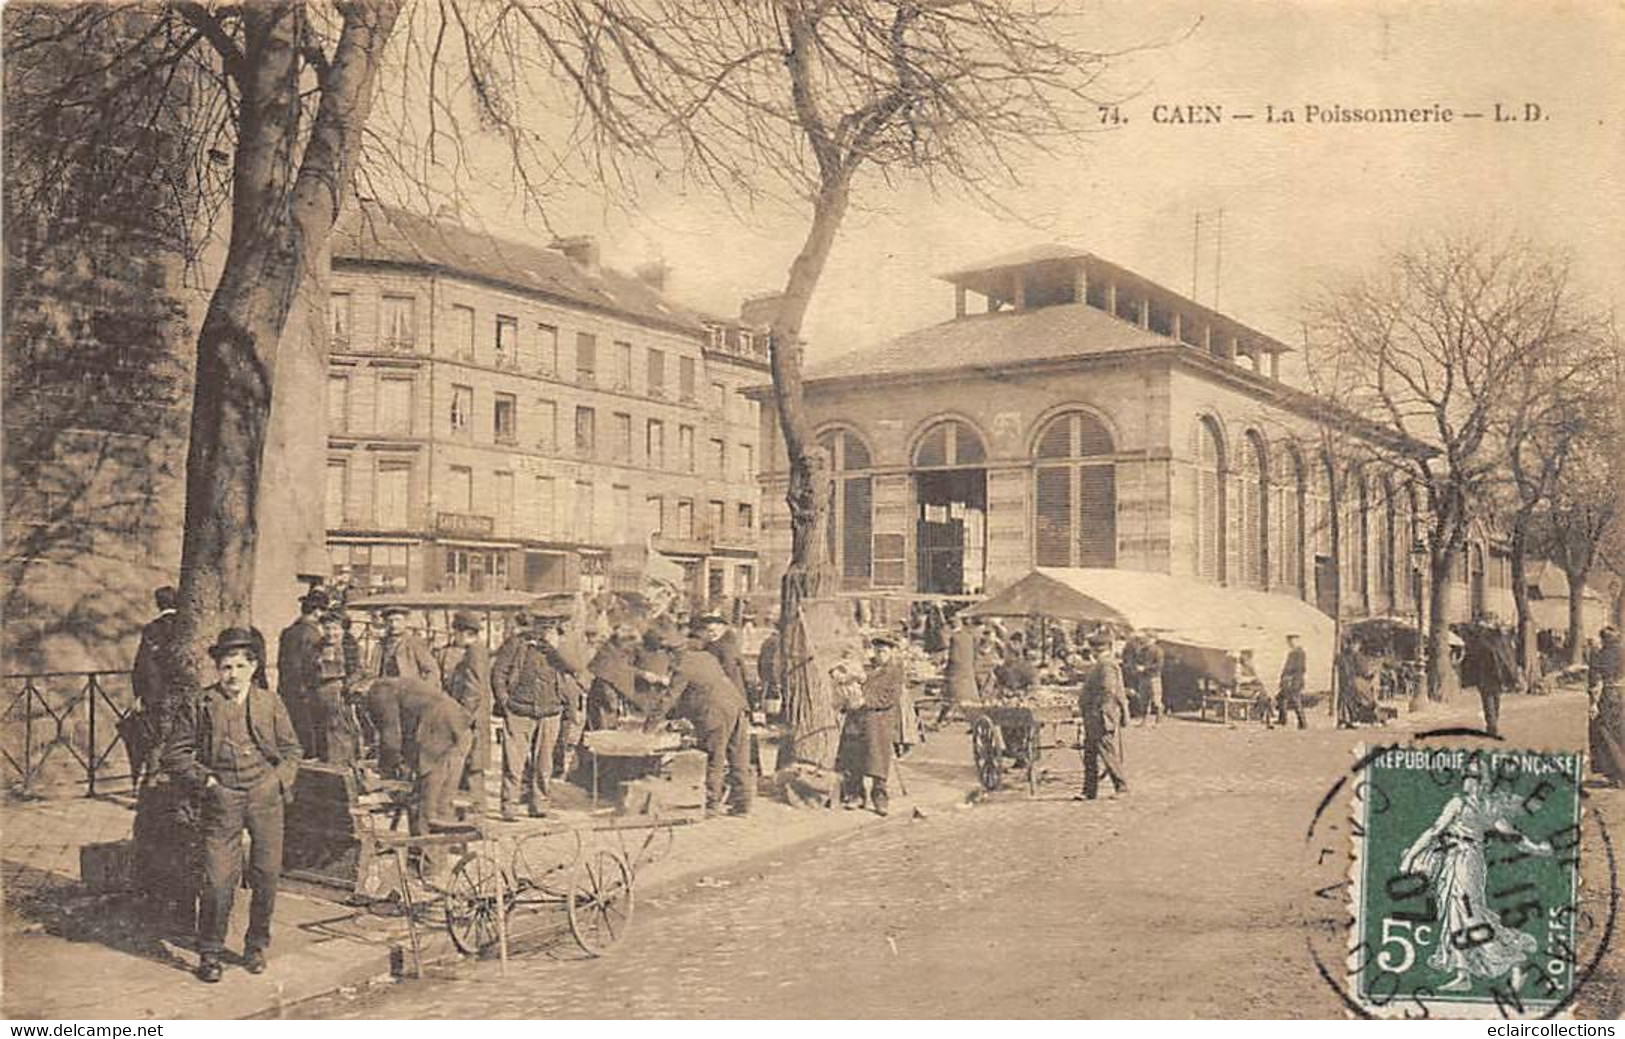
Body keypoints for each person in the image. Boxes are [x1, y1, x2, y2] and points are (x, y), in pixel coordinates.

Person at [163, 627, 303, 983]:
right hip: (221, 799)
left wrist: (276, 781)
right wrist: (207, 781)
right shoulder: (200, 703)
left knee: (266, 874)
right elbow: (174, 754)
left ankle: (255, 945)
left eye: (240, 666)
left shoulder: (270, 703)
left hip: (264, 796)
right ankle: (210, 952)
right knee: (218, 879)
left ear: (254, 667)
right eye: (226, 667)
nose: (233, 675)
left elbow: (292, 751)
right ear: (217, 669)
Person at [1400, 772, 1552, 992]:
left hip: (1468, 861)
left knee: (1470, 915)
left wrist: (1536, 849)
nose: (1474, 782)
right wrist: (1411, 856)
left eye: (1478, 777)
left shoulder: (1487, 808)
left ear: (1485, 782)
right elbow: (1435, 831)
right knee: (1455, 914)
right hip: (1454, 859)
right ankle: (1463, 975)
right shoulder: (1460, 803)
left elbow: (1512, 835)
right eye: (1470, 776)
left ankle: (1516, 962)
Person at [649, 622, 753, 816]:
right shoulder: (706, 657)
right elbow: (701, 687)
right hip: (736, 706)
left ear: (671, 654)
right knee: (738, 755)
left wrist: (649, 728)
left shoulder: (682, 666)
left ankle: (711, 804)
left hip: (716, 712)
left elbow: (669, 698)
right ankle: (743, 804)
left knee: (715, 757)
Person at [365, 675, 476, 843]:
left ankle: (422, 861)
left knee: (426, 808)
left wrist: (385, 774)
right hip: (459, 725)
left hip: (437, 729)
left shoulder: (379, 691)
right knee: (442, 804)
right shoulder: (398, 685)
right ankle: (436, 864)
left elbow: (391, 738)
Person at [494, 608, 579, 820]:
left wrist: (553, 649)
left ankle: (539, 805)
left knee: (544, 763)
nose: (545, 630)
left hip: (550, 711)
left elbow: (574, 667)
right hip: (519, 709)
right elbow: (498, 672)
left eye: (550, 626)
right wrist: (504, 701)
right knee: (514, 762)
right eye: (542, 625)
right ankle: (510, 806)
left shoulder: (562, 647)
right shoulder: (517, 643)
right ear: (533, 624)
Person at [836, 634, 905, 815]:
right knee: (853, 756)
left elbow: (888, 698)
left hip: (879, 720)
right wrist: (847, 699)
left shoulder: (895, 672)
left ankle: (880, 797)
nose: (879, 655)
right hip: (856, 718)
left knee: (877, 760)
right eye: (877, 651)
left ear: (891, 652)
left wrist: (864, 701)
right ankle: (856, 794)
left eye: (883, 652)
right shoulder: (865, 668)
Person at [126, 585, 181, 786]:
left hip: (157, 696)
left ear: (158, 604)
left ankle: (150, 789)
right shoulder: (185, 626)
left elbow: (142, 665)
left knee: (156, 743)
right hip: (182, 694)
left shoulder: (152, 629)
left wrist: (140, 695)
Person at [439, 611, 493, 810]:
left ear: (464, 633)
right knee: (472, 763)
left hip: (469, 718)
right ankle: (477, 805)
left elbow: (474, 689)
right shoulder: (477, 650)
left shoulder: (475, 652)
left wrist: (462, 717)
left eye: (457, 633)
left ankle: (452, 804)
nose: (455, 637)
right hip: (471, 716)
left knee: (460, 760)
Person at [1077, 632, 1129, 800]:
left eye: (1094, 648)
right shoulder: (1100, 663)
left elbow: (1108, 691)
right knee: (1090, 753)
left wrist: (1099, 711)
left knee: (1106, 752)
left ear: (1099, 649)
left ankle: (1122, 787)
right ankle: (1089, 791)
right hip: (1093, 715)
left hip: (1100, 715)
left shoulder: (1106, 665)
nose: (1092, 651)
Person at [276, 589, 328, 755]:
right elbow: (311, 664)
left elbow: (283, 663)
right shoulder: (312, 633)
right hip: (307, 687)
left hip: (288, 686)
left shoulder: (288, 631)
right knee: (311, 726)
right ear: (318, 611)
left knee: (294, 725)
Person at [311, 610, 360, 765]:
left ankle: (344, 763)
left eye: (335, 628)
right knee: (324, 728)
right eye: (327, 628)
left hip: (341, 692)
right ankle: (328, 762)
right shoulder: (318, 648)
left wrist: (348, 686)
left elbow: (357, 671)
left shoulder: (349, 647)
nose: (331, 633)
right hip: (321, 692)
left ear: (343, 629)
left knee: (341, 727)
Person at [1459, 620, 1518, 738]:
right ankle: (1492, 724)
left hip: (1486, 676)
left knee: (1490, 701)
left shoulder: (1481, 643)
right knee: (1494, 700)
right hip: (1493, 676)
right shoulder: (1497, 644)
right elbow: (1506, 660)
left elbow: (1471, 660)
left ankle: (1492, 724)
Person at [366, 604, 440, 686]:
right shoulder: (380, 646)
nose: (394, 624)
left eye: (398, 620)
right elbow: (372, 673)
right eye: (390, 621)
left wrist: (422, 690)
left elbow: (432, 671)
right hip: (386, 692)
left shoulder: (414, 643)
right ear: (385, 622)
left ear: (406, 622)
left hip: (408, 693)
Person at [1588, 626, 1624, 787]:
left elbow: (1595, 681)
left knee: (1604, 733)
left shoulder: (1599, 655)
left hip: (1608, 696)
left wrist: (1593, 703)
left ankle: (1615, 773)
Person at [698, 611, 754, 708]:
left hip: (728, 690)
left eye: (713, 631)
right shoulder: (710, 645)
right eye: (708, 631)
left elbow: (728, 670)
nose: (711, 634)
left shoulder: (726, 647)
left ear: (722, 629)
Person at [1124, 632, 1165, 727]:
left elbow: (1159, 665)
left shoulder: (1158, 651)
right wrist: (1136, 667)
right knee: (1144, 700)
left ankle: (1158, 721)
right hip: (1143, 677)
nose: (1147, 640)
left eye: (1149, 638)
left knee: (1156, 700)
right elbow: (1137, 660)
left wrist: (1145, 668)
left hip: (1154, 677)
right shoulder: (1142, 650)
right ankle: (1144, 720)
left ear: (1154, 639)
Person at [1277, 632, 1308, 730]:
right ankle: (1283, 719)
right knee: (1281, 697)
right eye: (1289, 642)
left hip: (1294, 681)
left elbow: (1299, 668)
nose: (1290, 644)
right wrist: (1283, 678)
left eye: (1291, 641)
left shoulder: (1299, 653)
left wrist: (1290, 677)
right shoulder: (1292, 652)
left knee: (1295, 700)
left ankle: (1302, 722)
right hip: (1288, 680)